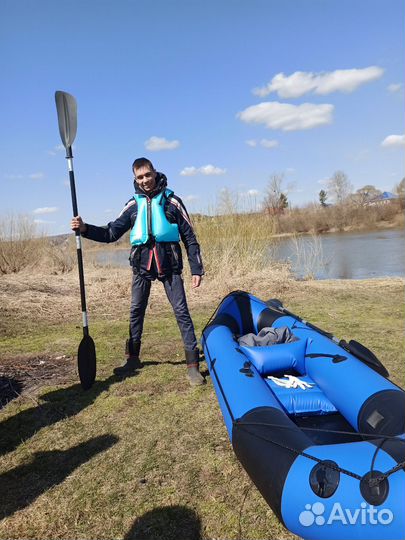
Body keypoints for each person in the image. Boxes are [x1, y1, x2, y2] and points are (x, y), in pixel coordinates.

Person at [71, 157, 205, 386]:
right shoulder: (133, 205)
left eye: (148, 175)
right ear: (135, 179)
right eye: (140, 177)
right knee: (136, 311)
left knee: (181, 312)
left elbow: (190, 238)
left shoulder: (173, 202)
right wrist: (85, 229)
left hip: (170, 267)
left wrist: (196, 269)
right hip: (141, 267)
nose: (145, 180)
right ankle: (132, 359)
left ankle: (193, 365)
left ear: (155, 173)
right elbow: (111, 233)